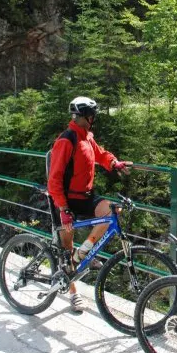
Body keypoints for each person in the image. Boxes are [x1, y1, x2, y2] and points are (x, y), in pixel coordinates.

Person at [48, 96, 132, 313]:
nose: (94, 118)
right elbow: (54, 179)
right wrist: (63, 208)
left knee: (111, 212)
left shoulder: (87, 137)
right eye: (92, 115)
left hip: (85, 197)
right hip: (66, 200)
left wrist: (114, 163)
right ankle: (73, 293)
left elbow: (100, 154)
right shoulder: (67, 140)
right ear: (86, 116)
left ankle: (83, 253)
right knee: (66, 250)